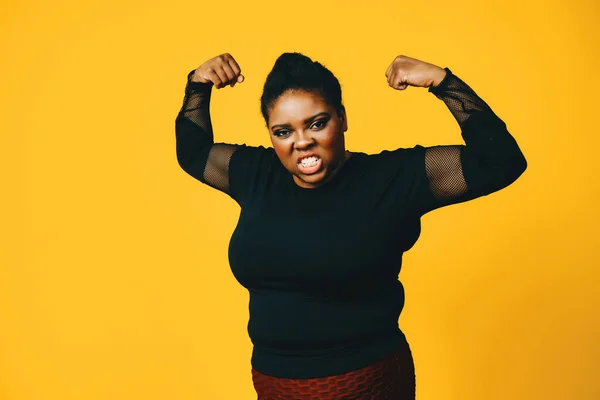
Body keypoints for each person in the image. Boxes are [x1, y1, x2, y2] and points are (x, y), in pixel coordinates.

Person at [174, 52, 527, 399]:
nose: (301, 142)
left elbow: (501, 161)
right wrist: (198, 85)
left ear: (342, 118)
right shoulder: (256, 174)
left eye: (317, 123)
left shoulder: (392, 178)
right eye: (283, 131)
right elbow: (192, 152)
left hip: (366, 383)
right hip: (272, 383)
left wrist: (443, 82)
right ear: (270, 134)